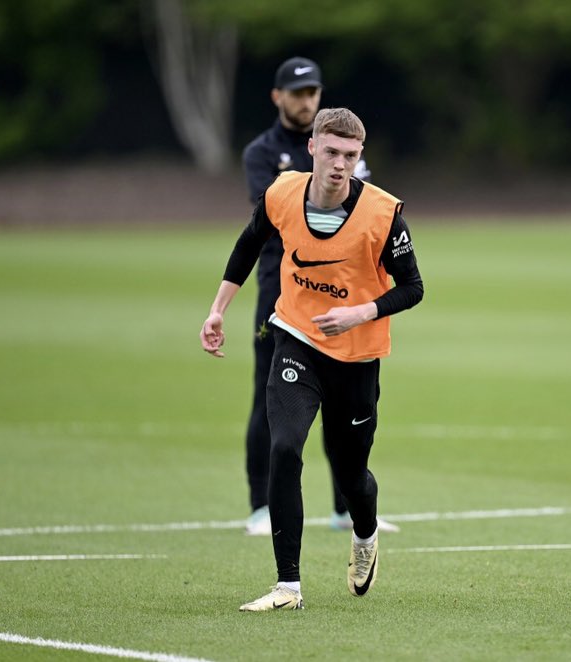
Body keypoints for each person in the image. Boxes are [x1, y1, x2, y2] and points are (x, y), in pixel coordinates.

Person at [201, 107, 424, 611]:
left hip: (358, 356)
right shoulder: (282, 193)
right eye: (331, 152)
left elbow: (413, 288)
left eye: (350, 155)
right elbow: (248, 244)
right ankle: (288, 587)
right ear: (313, 150)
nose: (340, 164)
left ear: (359, 156)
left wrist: (361, 312)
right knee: (285, 449)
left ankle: (365, 537)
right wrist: (217, 310)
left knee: (352, 477)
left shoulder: (383, 215)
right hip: (296, 339)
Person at [240, 56, 392, 536]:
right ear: (278, 97)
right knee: (275, 394)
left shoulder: (341, 143)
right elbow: (265, 221)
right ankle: (260, 506)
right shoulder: (262, 154)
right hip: (282, 287)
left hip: (342, 288)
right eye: (298, 93)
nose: (307, 101)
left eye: (313, 93)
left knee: (339, 399)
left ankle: (344, 508)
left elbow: (359, 205)